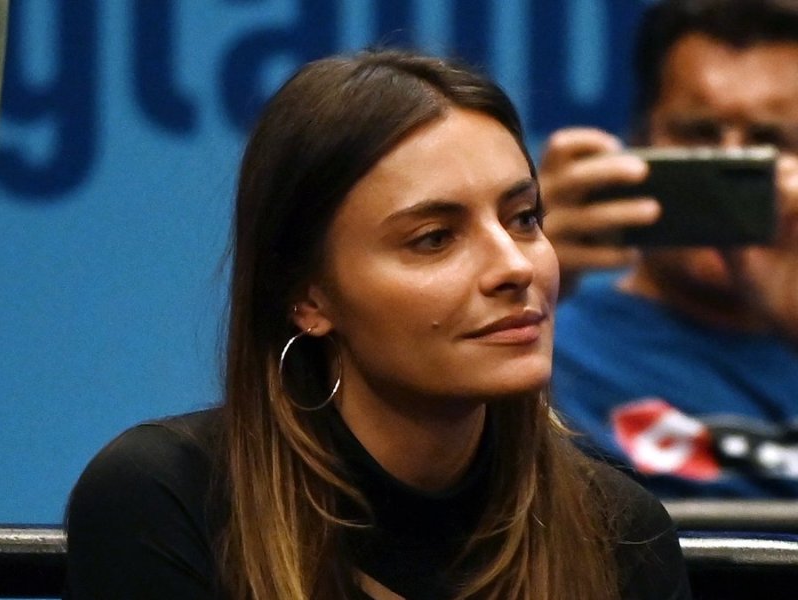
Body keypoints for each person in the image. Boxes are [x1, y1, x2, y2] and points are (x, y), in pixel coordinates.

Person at [64, 50, 691, 599]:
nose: (513, 266)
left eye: (524, 218)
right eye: (435, 238)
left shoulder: (616, 531)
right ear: (307, 299)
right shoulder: (166, 502)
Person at [541, 0, 798, 498]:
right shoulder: (544, 346)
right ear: (639, 140)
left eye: (768, 142)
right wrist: (521, 276)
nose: (727, 165)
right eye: (698, 134)